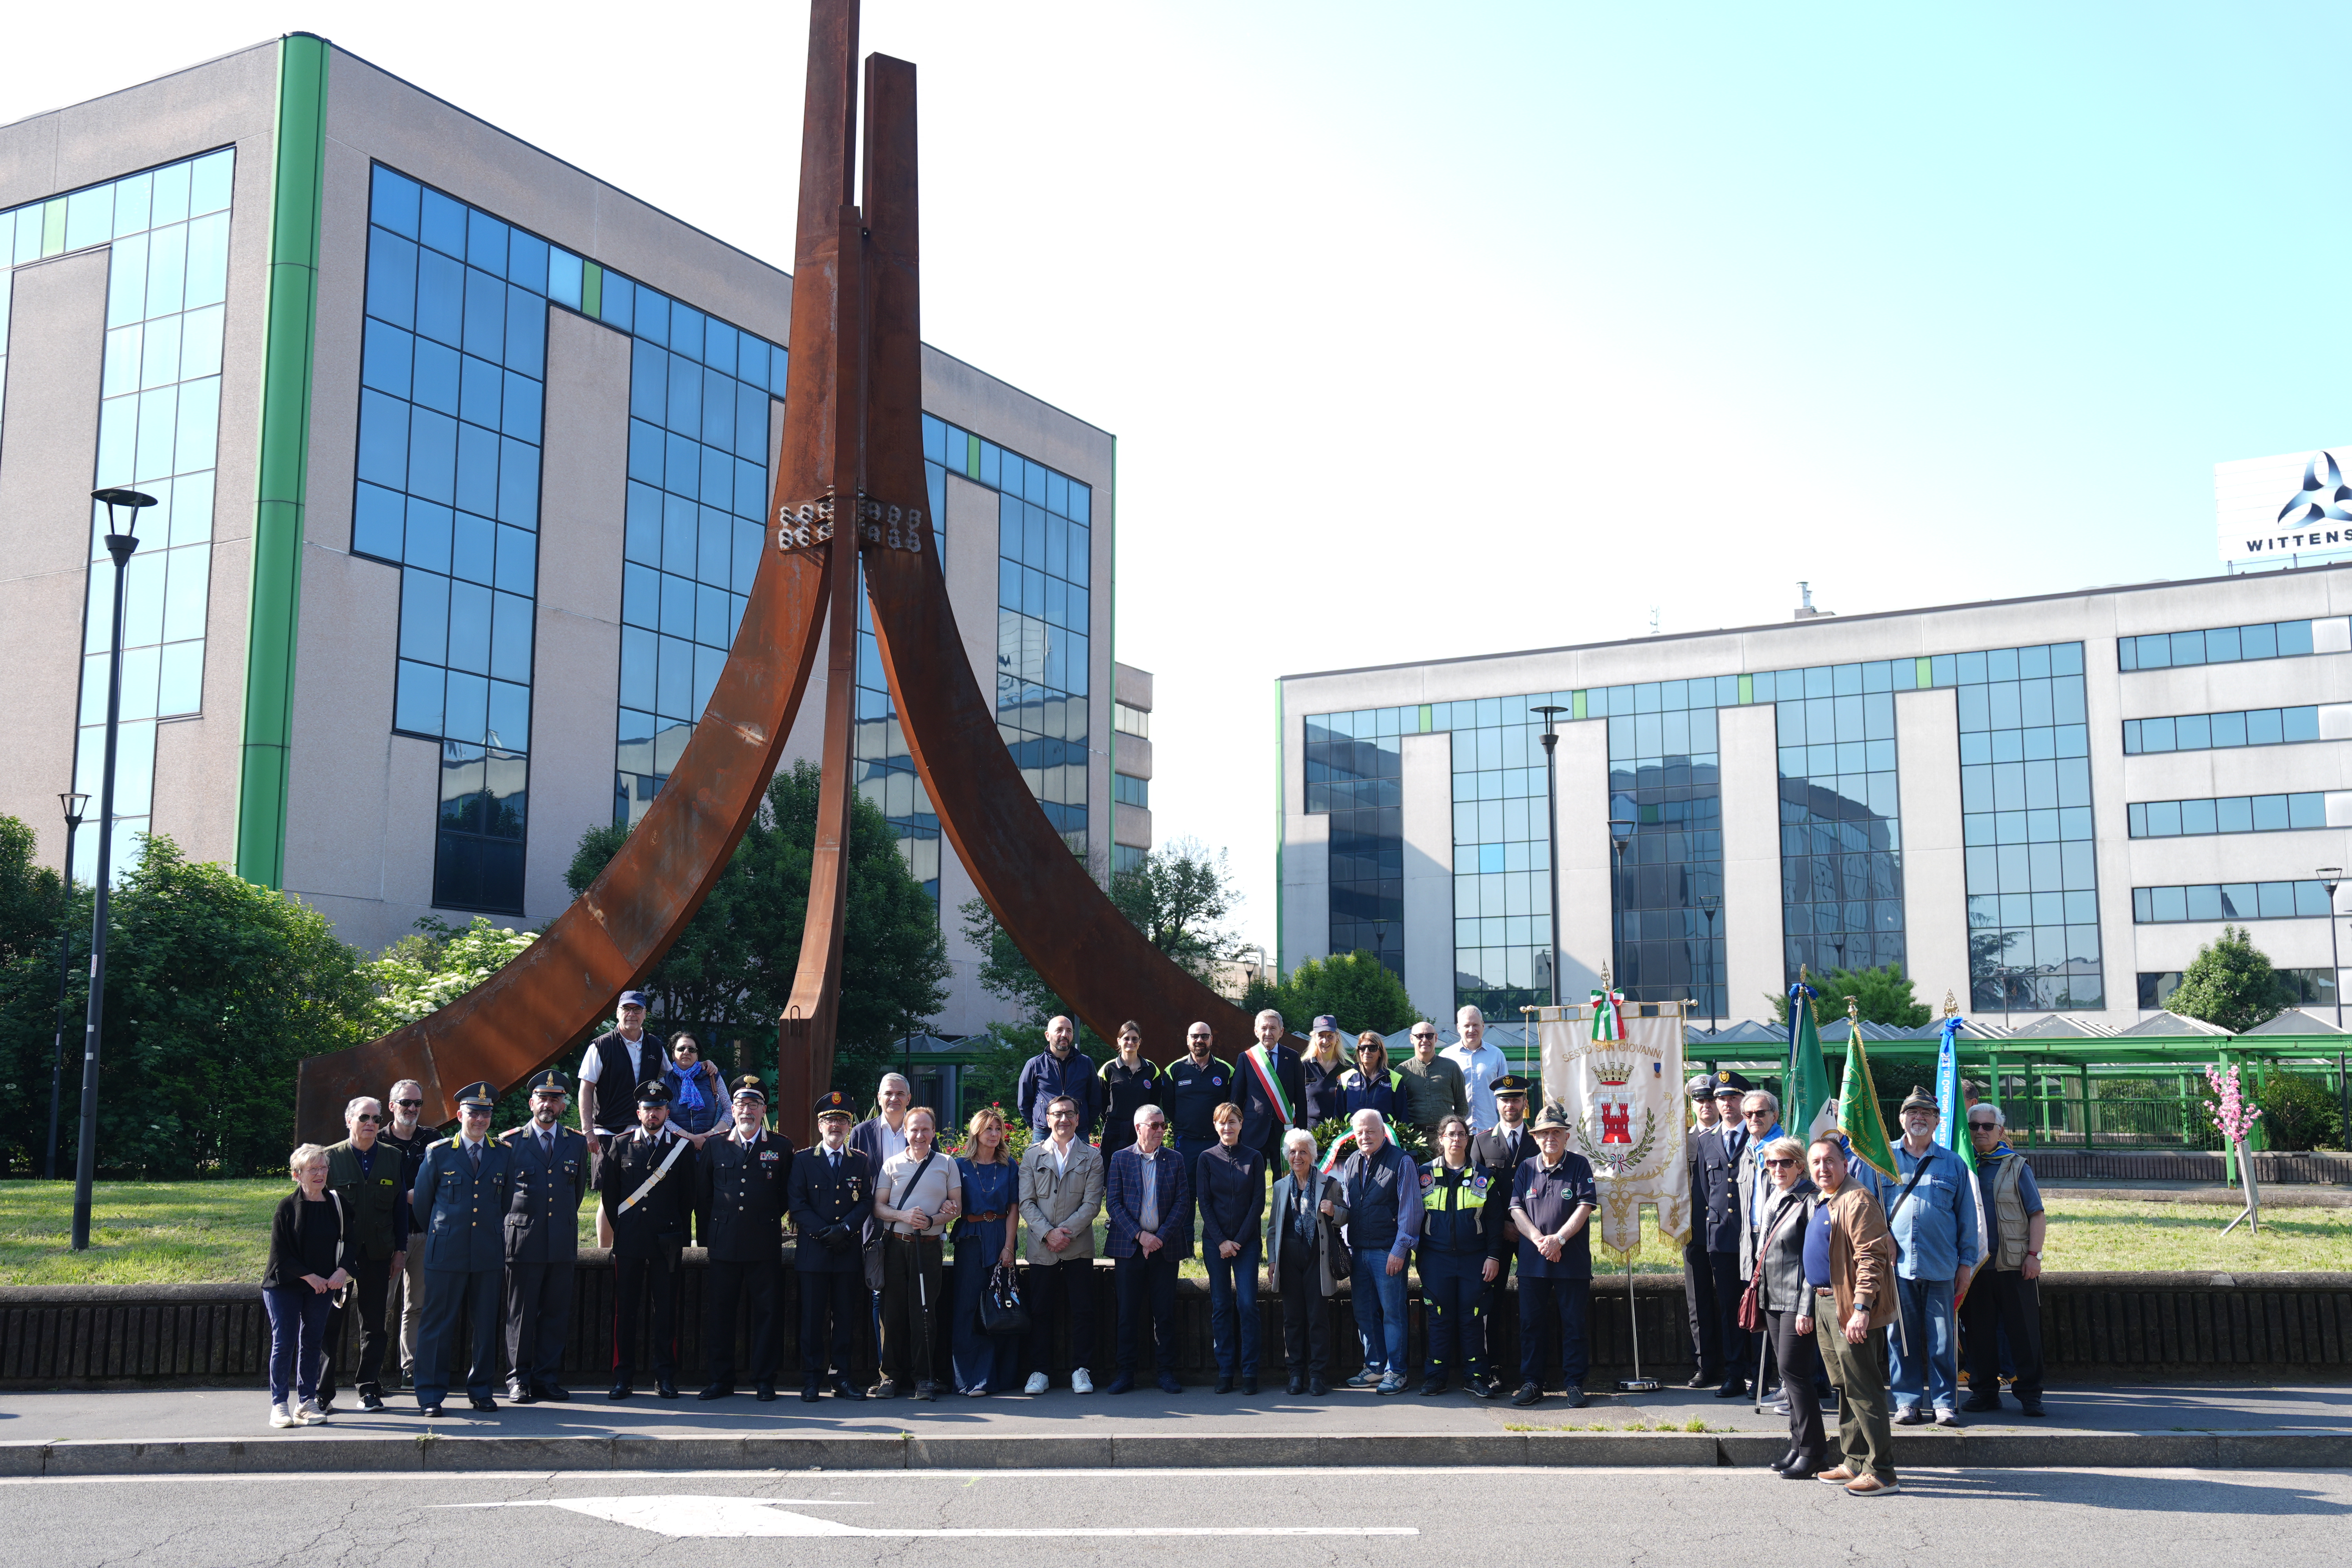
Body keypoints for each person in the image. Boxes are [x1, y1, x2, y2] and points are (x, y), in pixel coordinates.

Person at [1849, 1084, 1979, 1428]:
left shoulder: (1953, 1163)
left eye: (1926, 1113)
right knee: (1900, 1337)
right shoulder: (1881, 1159)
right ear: (1901, 1118)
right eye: (1912, 1112)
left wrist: (1966, 1265)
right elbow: (1865, 1208)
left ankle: (1944, 1404)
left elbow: (1968, 1219)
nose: (1918, 1118)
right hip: (1896, 1268)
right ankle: (1906, 1402)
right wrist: (1882, 1237)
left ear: (1937, 1121)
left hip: (1942, 1266)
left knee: (1943, 1341)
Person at [1803, 1133, 1899, 1497]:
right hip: (1826, 1303)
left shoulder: (1857, 1199)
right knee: (1844, 1387)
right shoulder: (1826, 1199)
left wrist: (1861, 1308)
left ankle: (1882, 1471)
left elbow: (1871, 1259)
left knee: (1864, 1389)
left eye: (1830, 1161)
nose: (1823, 1168)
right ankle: (1854, 1460)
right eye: (1816, 1162)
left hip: (1849, 1308)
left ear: (1845, 1164)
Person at [410, 1082, 513, 1417]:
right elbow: (424, 1205)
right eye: (473, 1113)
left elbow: (506, 1201)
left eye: (485, 1114)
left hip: (487, 1252)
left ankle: (481, 1390)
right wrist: (446, 1234)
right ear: (459, 1116)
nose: (480, 1120)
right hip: (447, 1251)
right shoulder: (438, 1152)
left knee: (485, 1325)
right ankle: (430, 1395)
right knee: (437, 1325)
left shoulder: (503, 1153)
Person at [595, 1080, 696, 1400]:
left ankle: (664, 1376)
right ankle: (623, 1377)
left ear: (668, 1111)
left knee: (666, 1311)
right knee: (625, 1311)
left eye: (659, 1109)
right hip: (630, 1241)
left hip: (666, 1241)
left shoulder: (680, 1148)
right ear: (639, 1112)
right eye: (648, 1109)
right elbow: (610, 1198)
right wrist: (624, 1230)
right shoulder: (621, 1145)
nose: (653, 1114)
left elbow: (687, 1198)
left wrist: (674, 1230)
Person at [697, 1076, 793, 1401]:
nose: (746, 1110)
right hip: (724, 1243)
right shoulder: (716, 1144)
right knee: (721, 1313)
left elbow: (784, 1197)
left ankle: (765, 1380)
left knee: (767, 1314)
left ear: (764, 1109)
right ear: (732, 1108)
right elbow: (704, 1197)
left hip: (763, 1243)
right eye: (741, 1104)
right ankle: (721, 1380)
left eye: (754, 1104)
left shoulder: (780, 1147)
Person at [498, 1070, 589, 1405]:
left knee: (555, 1313)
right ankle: (518, 1380)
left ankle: (546, 1378)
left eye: (555, 1098)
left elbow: (576, 1193)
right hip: (523, 1241)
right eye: (542, 1097)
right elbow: (503, 1195)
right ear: (531, 1102)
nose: (548, 1104)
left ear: (564, 1104)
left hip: (561, 1241)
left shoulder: (576, 1142)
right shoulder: (509, 1143)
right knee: (521, 1314)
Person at [319, 1096, 407, 1414]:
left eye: (376, 1119)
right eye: (364, 1118)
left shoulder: (393, 1157)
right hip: (338, 1257)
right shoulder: (329, 1158)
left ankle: (368, 1388)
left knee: (374, 1324)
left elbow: (399, 1210)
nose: (371, 1124)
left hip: (378, 1252)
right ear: (349, 1121)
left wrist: (400, 1251)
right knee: (330, 1323)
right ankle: (322, 1393)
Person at [1751, 1135, 1831, 1478]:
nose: (1778, 1169)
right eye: (1772, 1163)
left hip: (1797, 1300)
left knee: (1796, 1374)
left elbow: (1812, 1261)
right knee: (1787, 1374)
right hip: (1773, 1297)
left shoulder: (1810, 1200)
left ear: (1801, 1166)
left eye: (1786, 1163)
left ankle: (1814, 1452)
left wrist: (1805, 1308)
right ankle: (1798, 1445)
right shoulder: (1776, 1198)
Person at [1508, 1101, 1597, 1408]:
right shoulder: (1526, 1168)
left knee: (1574, 1325)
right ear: (1535, 1138)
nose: (1550, 1139)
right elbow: (1516, 1208)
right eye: (1544, 1134)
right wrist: (1539, 1242)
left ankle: (1574, 1384)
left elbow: (1585, 1207)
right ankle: (1533, 1383)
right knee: (1531, 1325)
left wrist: (1558, 1240)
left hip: (1571, 1262)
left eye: (1556, 1133)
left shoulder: (1580, 1165)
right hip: (1533, 1262)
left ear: (1566, 1136)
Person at [1961, 1103, 2047, 1417]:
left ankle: (2030, 1395)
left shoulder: (2016, 1165)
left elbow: (2036, 1213)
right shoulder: (1961, 1165)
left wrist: (2034, 1256)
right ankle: (1984, 1393)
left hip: (2013, 1265)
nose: (1981, 1132)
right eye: (1974, 1127)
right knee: (1979, 1334)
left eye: (1988, 1126)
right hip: (1976, 1266)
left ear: (2000, 1131)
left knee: (2024, 1333)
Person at [787, 1090, 873, 1401]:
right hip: (814, 1252)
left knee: (845, 1320)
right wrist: (826, 1233)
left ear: (849, 1126)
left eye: (841, 1120)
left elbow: (865, 1201)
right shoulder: (802, 1161)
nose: (835, 1126)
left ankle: (842, 1378)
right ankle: (811, 1380)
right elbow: (797, 1205)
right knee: (812, 1320)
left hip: (847, 1251)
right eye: (829, 1121)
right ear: (820, 1126)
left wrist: (846, 1229)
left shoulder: (860, 1162)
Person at [1416, 1113, 1508, 1397]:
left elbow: (1495, 1223)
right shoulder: (1423, 1175)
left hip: (1475, 1260)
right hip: (1435, 1259)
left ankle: (1476, 1377)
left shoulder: (1484, 1177)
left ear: (1468, 1140)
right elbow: (1411, 1218)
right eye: (1451, 1134)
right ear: (1441, 1139)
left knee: (1473, 1318)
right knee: (1439, 1317)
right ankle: (1436, 1377)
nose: (1457, 1139)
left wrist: (1494, 1257)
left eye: (1462, 1134)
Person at [1018, 1094, 1104, 1395]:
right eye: (1057, 1114)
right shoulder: (1032, 1156)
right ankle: (1039, 1371)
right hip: (1042, 1247)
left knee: (1083, 1310)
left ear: (1078, 1119)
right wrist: (1048, 1234)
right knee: (1041, 1310)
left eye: (1070, 1114)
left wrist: (1064, 1233)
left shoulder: (1092, 1157)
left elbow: (1093, 1203)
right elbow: (1026, 1203)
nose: (1064, 1119)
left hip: (1077, 1246)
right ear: (1047, 1118)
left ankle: (1082, 1370)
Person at [263, 1144, 353, 1428]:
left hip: (324, 1286)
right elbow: (281, 1256)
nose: (320, 1174)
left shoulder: (338, 1205)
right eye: (312, 1169)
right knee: (284, 1343)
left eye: (324, 1168)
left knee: (313, 1342)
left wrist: (342, 1272)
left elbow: (352, 1244)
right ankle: (279, 1405)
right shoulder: (287, 1207)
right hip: (286, 1285)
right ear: (296, 1175)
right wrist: (310, 1277)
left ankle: (306, 1402)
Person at [1104, 1103, 1192, 1394]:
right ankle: (1125, 1373)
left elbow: (1183, 1203)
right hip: (1129, 1247)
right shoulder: (1120, 1159)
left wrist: (1159, 1238)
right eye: (1154, 1125)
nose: (1160, 1131)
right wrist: (1141, 1236)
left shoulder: (1175, 1159)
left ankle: (1166, 1373)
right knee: (1127, 1313)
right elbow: (1113, 1204)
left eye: (1163, 1125)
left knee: (1164, 1313)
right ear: (1138, 1127)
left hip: (1165, 1248)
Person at [875, 1105, 960, 1399]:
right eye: (914, 1130)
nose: (920, 1135)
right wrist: (905, 1216)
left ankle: (924, 1377)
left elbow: (956, 1207)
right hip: (896, 1246)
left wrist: (933, 1220)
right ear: (906, 1133)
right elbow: (878, 1207)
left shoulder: (947, 1164)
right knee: (892, 1313)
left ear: (934, 1132)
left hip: (929, 1248)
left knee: (925, 1313)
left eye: (926, 1130)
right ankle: (890, 1377)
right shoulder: (892, 1164)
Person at [1339, 1105, 1422, 1394]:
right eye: (1359, 1132)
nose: (1365, 1136)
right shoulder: (1351, 1162)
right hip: (1359, 1250)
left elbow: (1412, 1209)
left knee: (1393, 1314)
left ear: (1383, 1131)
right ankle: (1374, 1367)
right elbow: (1350, 1206)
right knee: (1364, 1313)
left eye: (1371, 1131)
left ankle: (1396, 1372)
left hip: (1388, 1252)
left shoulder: (1402, 1162)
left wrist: (1400, 1250)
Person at [580, 991, 666, 1248]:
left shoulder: (655, 1045)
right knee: (610, 1195)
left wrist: (706, 1064)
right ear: (618, 1013)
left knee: (644, 1190)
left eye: (637, 1010)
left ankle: (634, 1248)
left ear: (645, 1014)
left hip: (644, 1133)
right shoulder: (601, 1046)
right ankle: (605, 1255)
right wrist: (588, 1131)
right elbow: (586, 1088)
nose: (632, 1014)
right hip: (608, 1132)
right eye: (626, 1009)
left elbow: (670, 1079)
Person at [1265, 1126, 1348, 1395]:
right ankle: (1296, 1374)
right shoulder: (1280, 1186)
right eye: (1293, 1152)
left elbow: (1347, 1216)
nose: (1297, 1156)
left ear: (1312, 1155)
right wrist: (1272, 1261)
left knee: (1317, 1318)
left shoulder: (1330, 1184)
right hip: (1289, 1261)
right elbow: (1273, 1228)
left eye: (1303, 1151)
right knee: (1293, 1319)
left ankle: (1317, 1376)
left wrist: (1334, 1211)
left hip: (1318, 1259)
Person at [1471, 1073, 1539, 1394]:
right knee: (1491, 1304)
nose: (1509, 1104)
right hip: (1496, 1237)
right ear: (1496, 1103)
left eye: (1515, 1099)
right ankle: (1493, 1368)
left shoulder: (1538, 1141)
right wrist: (1502, 1227)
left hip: (1532, 1235)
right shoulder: (1482, 1142)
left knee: (1534, 1303)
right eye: (1504, 1099)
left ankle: (1534, 1371)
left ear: (1525, 1103)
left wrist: (1523, 1226)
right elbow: (1477, 1194)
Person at [949, 1106, 1022, 1396]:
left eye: (998, 1129)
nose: (994, 1134)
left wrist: (1009, 1247)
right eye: (988, 1129)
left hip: (1001, 1237)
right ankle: (969, 1379)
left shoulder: (1010, 1166)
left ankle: (997, 1378)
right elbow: (950, 1202)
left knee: (999, 1306)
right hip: (971, 1238)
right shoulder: (959, 1165)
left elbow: (1014, 1208)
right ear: (976, 1132)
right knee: (967, 1308)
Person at [1195, 1101, 1266, 1393]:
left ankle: (1250, 1373)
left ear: (1242, 1125)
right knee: (1222, 1305)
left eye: (1233, 1122)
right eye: (1222, 1122)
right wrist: (1222, 1240)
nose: (1228, 1127)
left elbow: (1258, 1203)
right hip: (1215, 1243)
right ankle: (1225, 1371)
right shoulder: (1206, 1159)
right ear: (1215, 1126)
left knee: (1248, 1304)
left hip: (1247, 1243)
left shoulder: (1255, 1158)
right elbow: (1204, 1202)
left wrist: (1237, 1239)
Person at [849, 1073, 915, 1385]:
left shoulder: (919, 1130)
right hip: (875, 1230)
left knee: (912, 1301)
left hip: (912, 1229)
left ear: (909, 1098)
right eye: (888, 1093)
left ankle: (913, 1372)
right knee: (879, 1299)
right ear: (879, 1098)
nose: (894, 1099)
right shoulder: (861, 1133)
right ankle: (886, 1374)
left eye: (900, 1093)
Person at [1683, 1073, 1740, 1394]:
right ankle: (1705, 1365)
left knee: (1733, 1300)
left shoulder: (1730, 1136)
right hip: (1693, 1230)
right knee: (1698, 1302)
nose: (1706, 1106)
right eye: (1699, 1101)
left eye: (1710, 1100)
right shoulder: (1682, 1140)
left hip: (1727, 1231)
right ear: (1693, 1105)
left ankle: (1737, 1364)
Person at [377, 1079, 433, 1391]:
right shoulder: (379, 1140)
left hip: (424, 1233)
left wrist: (418, 1197)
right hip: (387, 1238)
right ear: (392, 1106)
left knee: (417, 1305)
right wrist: (406, 1196)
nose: (411, 1109)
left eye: (417, 1104)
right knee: (380, 1304)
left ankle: (410, 1367)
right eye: (405, 1103)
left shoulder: (433, 1139)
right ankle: (371, 1370)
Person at [1730, 1084, 1783, 1400]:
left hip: (1777, 1238)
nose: (1753, 1118)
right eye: (1748, 1114)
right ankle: (1760, 1380)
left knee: (1781, 1313)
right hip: (1750, 1239)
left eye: (1760, 1113)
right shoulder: (1748, 1148)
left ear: (1775, 1115)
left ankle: (1791, 1383)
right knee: (1757, 1311)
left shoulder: (1784, 1149)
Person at [1236, 1008, 1308, 1162]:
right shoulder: (1246, 1058)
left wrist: (1302, 1133)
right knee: (1252, 1181)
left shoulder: (1293, 1057)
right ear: (1256, 1031)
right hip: (1253, 1130)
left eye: (1273, 1028)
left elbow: (1301, 1099)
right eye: (1264, 1028)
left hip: (1284, 1132)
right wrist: (1236, 1130)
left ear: (1281, 1032)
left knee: (1285, 1180)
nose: (1268, 1032)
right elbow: (1237, 1098)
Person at [1162, 1021, 1233, 1171]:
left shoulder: (1227, 1070)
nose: (1200, 1040)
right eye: (1195, 1036)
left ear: (1211, 1040)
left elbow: (1233, 1104)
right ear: (1188, 1040)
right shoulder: (1174, 1070)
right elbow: (1168, 1105)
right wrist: (1185, 1125)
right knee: (1186, 1188)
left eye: (1205, 1036)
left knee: (1216, 1187)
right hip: (1186, 1141)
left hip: (1217, 1140)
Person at [1017, 1016, 1100, 1143]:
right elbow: (1024, 1102)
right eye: (1059, 1030)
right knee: (1042, 1164)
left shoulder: (1086, 1063)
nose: (1065, 1035)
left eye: (1069, 1031)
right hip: (1045, 1133)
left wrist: (1085, 1125)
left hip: (1078, 1131)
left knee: (1081, 1164)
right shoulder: (1035, 1065)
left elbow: (1095, 1099)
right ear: (1048, 1035)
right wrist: (1039, 1124)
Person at [1096, 1022, 1160, 1160]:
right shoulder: (1108, 1069)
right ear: (1119, 1041)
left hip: (1143, 1131)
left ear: (1140, 1042)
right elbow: (1101, 1104)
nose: (1131, 1042)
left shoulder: (1152, 1070)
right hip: (1114, 1132)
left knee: (1143, 1174)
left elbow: (1154, 1103)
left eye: (1135, 1039)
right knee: (1112, 1175)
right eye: (1126, 1038)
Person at [1394, 1019, 1469, 1136]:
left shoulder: (1451, 1067)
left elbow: (1462, 1104)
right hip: (1415, 1137)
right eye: (1419, 1036)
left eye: (1429, 1036)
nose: (1425, 1040)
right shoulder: (1402, 1071)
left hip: (1446, 1136)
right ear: (1412, 1039)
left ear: (1436, 1038)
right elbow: (1397, 1107)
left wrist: (1455, 1131)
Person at [1442, 1006, 1511, 1131]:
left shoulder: (1497, 1055)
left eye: (1476, 1025)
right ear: (1459, 1028)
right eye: (1467, 1026)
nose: (1471, 1030)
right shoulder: (1447, 1056)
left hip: (1489, 1129)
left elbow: (1504, 1094)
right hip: (1458, 1132)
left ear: (1483, 1025)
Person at [663, 1033, 727, 1148]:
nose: (686, 1052)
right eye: (681, 1049)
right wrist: (690, 1138)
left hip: (712, 1146)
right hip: (677, 1149)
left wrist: (710, 1136)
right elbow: (663, 1117)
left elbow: (729, 1110)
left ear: (697, 1055)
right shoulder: (665, 1082)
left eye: (692, 1049)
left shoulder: (713, 1076)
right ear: (673, 1054)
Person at [1300, 1015, 1350, 1125]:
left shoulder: (1349, 1068)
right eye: (1321, 1036)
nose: (1325, 1041)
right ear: (1314, 1039)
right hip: (1309, 1135)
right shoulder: (1303, 1066)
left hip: (1341, 1135)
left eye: (1330, 1036)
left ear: (1337, 1038)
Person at [1340, 1033, 1400, 1122]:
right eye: (1362, 1048)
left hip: (1384, 1133)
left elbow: (1402, 1116)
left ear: (1381, 1052)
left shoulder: (1395, 1079)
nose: (1367, 1052)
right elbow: (1339, 1113)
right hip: (1352, 1133)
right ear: (1358, 1051)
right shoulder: (1346, 1078)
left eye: (1373, 1048)